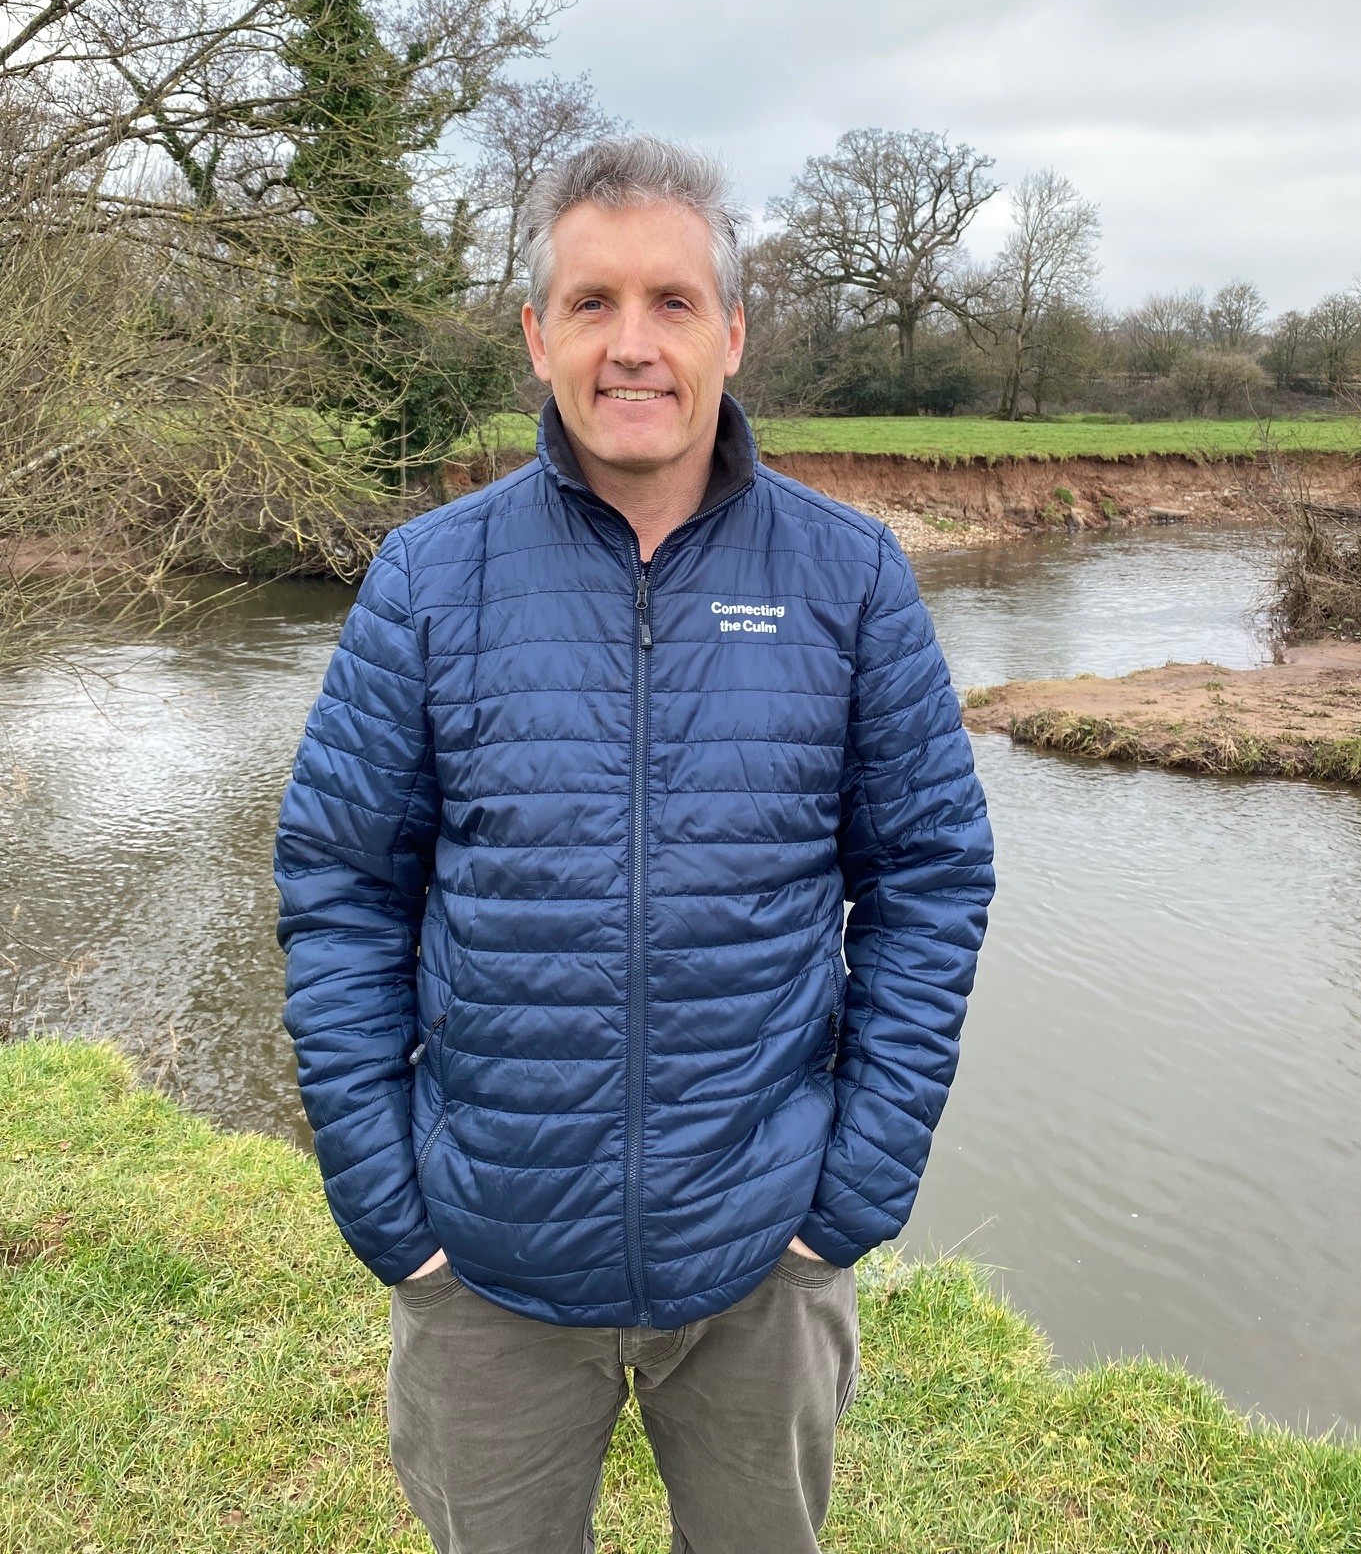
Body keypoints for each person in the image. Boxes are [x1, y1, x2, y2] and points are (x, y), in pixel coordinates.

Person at [273, 135, 996, 1554]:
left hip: (763, 1262)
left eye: (671, 302)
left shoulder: (851, 579)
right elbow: (343, 887)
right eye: (592, 304)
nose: (632, 346)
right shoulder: (428, 579)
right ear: (538, 334)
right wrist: (388, 1208)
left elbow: (930, 880)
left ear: (732, 331)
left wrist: (849, 1192)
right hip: (481, 1259)